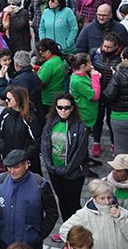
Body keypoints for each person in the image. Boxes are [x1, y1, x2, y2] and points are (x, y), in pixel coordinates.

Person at [40, 94, 90, 234]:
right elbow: (45, 144)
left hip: (73, 173)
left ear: (72, 108)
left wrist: (66, 169)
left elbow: (80, 153)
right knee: (62, 200)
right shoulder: (51, 122)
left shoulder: (80, 126)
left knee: (72, 203)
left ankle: (78, 232)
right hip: (55, 171)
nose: (63, 110)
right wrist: (50, 166)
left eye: (66, 108)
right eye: (60, 107)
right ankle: (68, 229)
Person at [0, 149, 59, 249]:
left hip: (30, 245)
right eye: (9, 167)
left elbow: (52, 212)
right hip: (5, 242)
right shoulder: (0, 181)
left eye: (16, 167)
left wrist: (40, 234)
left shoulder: (40, 185)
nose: (12, 171)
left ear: (26, 165)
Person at [59, 179, 128, 249]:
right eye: (102, 198)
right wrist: (82, 243)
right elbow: (64, 231)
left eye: (109, 197)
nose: (107, 202)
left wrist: (121, 219)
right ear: (94, 198)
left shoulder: (122, 212)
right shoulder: (83, 214)